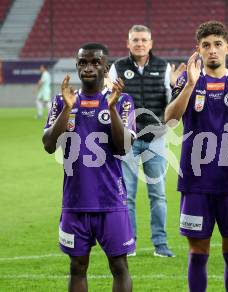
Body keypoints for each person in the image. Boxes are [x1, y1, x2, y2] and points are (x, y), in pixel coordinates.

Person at [165, 21, 228, 292]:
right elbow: (170, 119)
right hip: (195, 182)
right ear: (198, 49)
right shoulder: (188, 81)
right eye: (206, 45)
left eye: (218, 45)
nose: (212, 50)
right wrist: (188, 85)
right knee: (198, 248)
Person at [42, 43, 136, 292]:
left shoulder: (123, 101)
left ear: (106, 67)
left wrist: (112, 109)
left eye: (95, 62)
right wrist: (68, 109)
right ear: (77, 66)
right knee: (77, 267)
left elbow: (124, 146)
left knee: (119, 266)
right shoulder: (62, 102)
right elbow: (49, 145)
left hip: (111, 202)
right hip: (75, 202)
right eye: (83, 62)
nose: (88, 67)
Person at [109, 25, 185, 257]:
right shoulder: (117, 67)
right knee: (127, 196)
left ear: (150, 43)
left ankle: (160, 245)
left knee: (158, 195)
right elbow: (110, 99)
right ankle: (128, 242)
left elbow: (172, 103)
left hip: (155, 141)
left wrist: (175, 85)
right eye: (135, 40)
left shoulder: (163, 67)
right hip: (127, 141)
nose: (140, 43)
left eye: (143, 40)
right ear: (128, 43)